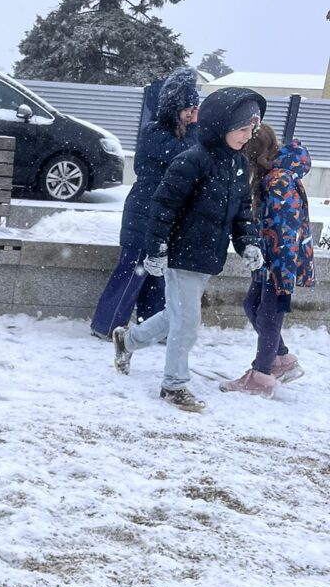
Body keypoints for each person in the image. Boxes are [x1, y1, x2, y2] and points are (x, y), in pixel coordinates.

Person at [111, 86, 267, 412]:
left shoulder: (238, 164)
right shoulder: (191, 161)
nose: (247, 136)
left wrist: (248, 243)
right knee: (187, 323)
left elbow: (241, 212)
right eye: (241, 129)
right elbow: (163, 207)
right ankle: (174, 385)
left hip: (208, 256)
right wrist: (156, 249)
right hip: (181, 254)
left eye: (251, 130)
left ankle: (127, 340)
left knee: (176, 315)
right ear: (220, 126)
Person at [90, 67, 200, 339]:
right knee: (132, 271)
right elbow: (185, 156)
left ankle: (152, 329)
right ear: (174, 109)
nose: (192, 115)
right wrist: (195, 128)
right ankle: (106, 325)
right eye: (188, 110)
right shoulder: (155, 132)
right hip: (144, 213)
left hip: (165, 216)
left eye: (194, 109)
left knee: (157, 275)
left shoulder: (178, 134)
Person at [220, 126, 315, 396]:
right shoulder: (272, 177)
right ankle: (281, 359)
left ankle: (261, 375)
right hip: (269, 259)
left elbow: (286, 230)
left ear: (254, 153)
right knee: (253, 305)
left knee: (269, 314)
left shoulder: (278, 181)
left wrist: (281, 272)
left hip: (278, 262)